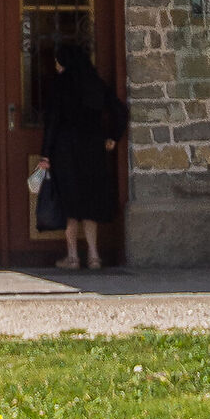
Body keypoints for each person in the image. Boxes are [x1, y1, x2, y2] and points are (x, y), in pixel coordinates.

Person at [36, 42, 128, 271]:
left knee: (70, 206)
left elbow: (53, 122)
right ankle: (94, 256)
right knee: (90, 203)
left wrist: (45, 154)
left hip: (66, 150)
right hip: (93, 148)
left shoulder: (60, 85)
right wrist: (113, 137)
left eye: (58, 60)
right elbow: (119, 110)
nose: (56, 65)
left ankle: (73, 257)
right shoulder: (95, 82)